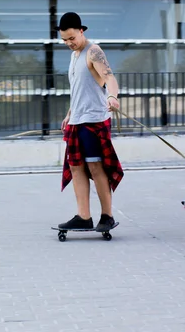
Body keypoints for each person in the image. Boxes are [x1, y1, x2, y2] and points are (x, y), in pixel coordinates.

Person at [56, 12, 124, 233]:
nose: (68, 43)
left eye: (72, 38)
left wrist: (113, 97)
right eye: (64, 39)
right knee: (76, 168)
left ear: (81, 31)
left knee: (96, 168)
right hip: (77, 119)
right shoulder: (74, 54)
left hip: (93, 120)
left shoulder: (93, 51)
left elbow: (110, 77)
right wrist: (70, 113)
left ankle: (107, 216)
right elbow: (79, 89)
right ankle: (83, 216)